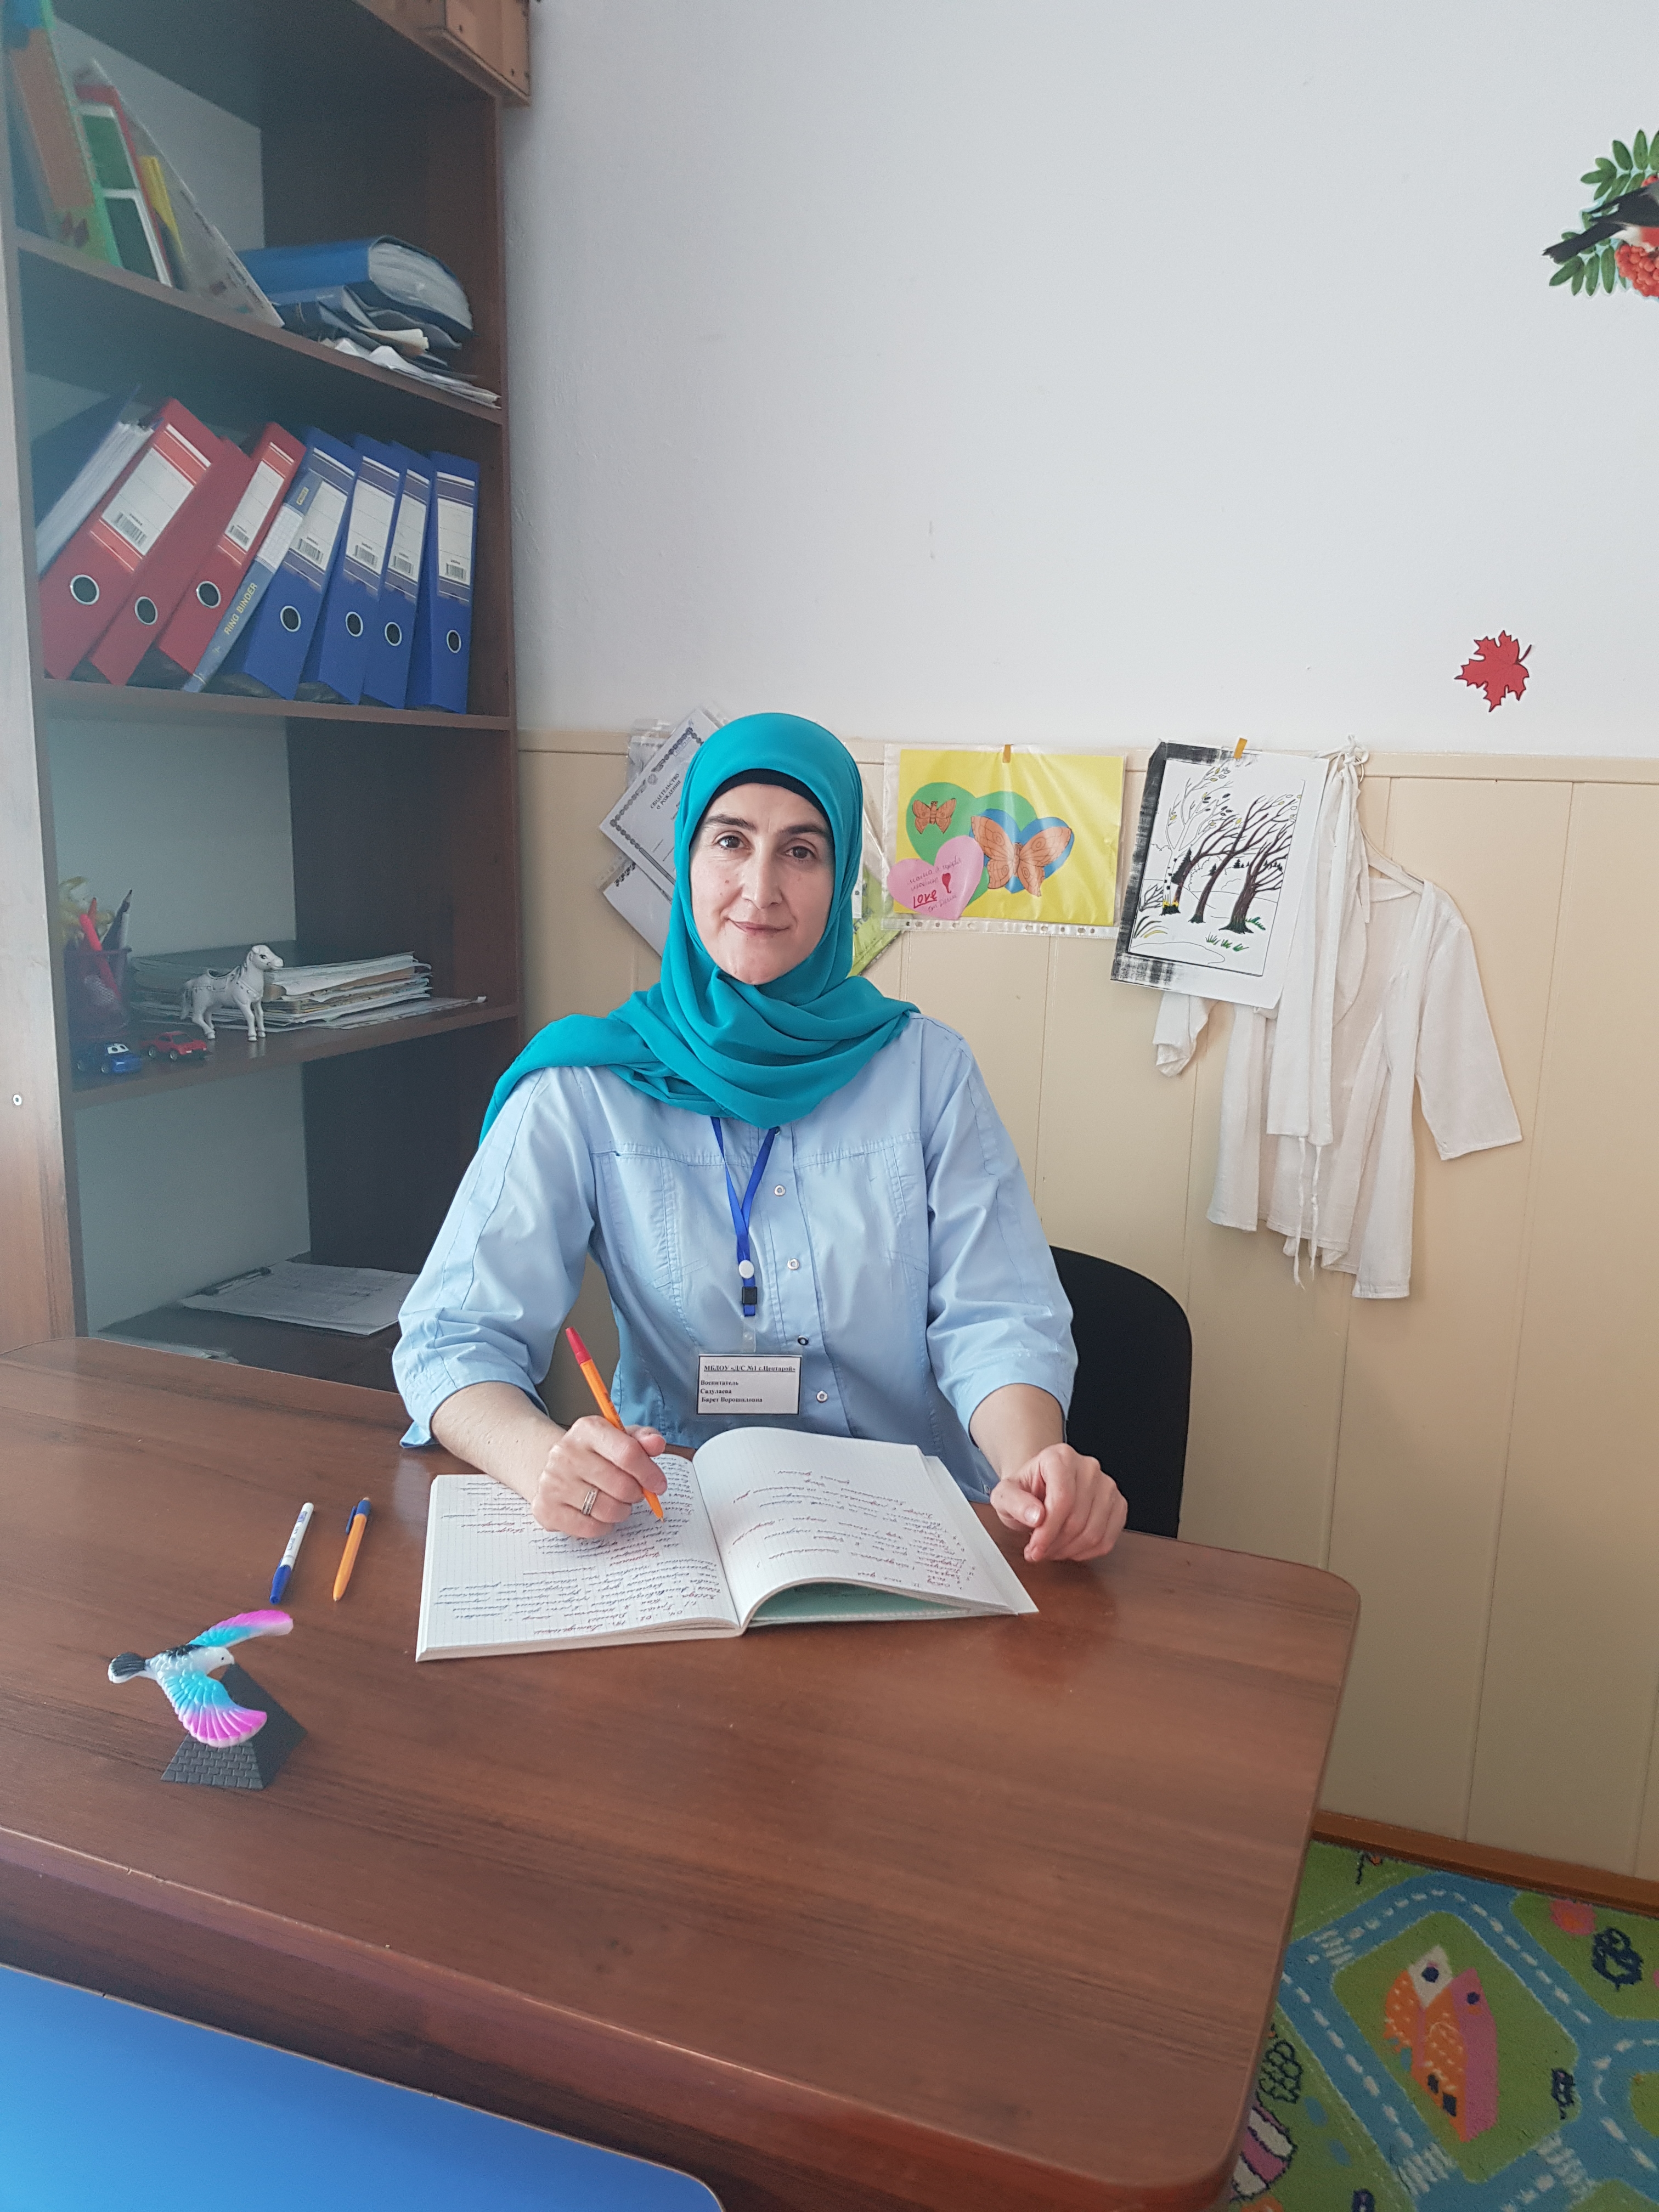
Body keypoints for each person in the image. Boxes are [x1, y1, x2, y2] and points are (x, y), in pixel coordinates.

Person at [394, 714, 1126, 1564]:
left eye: (802, 851)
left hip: (913, 1527)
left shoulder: (928, 1072)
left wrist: (1032, 1461)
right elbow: (453, 1334)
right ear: (687, 859)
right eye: (731, 841)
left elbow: (997, 1316)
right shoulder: (585, 1084)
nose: (760, 887)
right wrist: (538, 1460)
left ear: (841, 878)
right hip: (683, 1529)